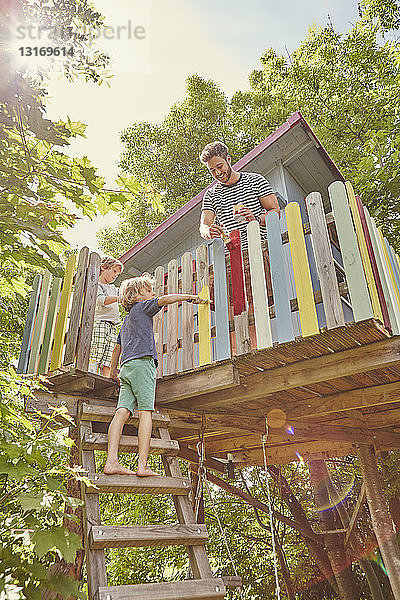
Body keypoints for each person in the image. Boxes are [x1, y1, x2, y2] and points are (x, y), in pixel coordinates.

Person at [103, 273, 204, 477]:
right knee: (146, 412)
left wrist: (113, 373)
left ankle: (111, 461)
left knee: (121, 413)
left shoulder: (126, 322)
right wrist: (189, 297)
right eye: (148, 290)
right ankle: (143, 465)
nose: (153, 293)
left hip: (126, 368)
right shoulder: (143, 307)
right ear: (137, 296)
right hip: (143, 365)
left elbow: (116, 349)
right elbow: (165, 300)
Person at [199, 140, 280, 247]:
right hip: (232, 255)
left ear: (228, 160)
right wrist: (208, 231)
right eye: (212, 170)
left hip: (261, 248)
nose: (217, 173)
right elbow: (204, 226)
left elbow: (276, 212)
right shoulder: (211, 195)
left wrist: (256, 219)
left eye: (219, 166)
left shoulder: (256, 180)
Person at [89, 256, 124, 377]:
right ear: (104, 267)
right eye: (114, 271)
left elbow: (125, 294)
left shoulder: (114, 289)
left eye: (117, 274)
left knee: (109, 355)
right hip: (101, 323)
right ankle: (92, 373)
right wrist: (119, 298)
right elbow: (101, 300)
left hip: (112, 326)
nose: (115, 276)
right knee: (97, 351)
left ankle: (105, 377)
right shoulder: (97, 285)